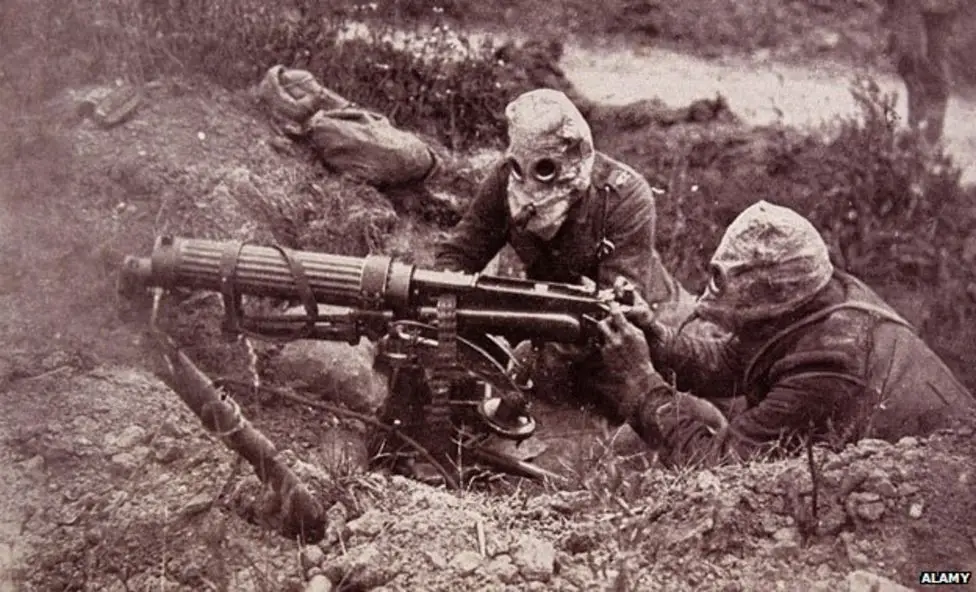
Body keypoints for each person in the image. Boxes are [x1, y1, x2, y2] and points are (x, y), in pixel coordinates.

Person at [594, 200, 976, 468]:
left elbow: (721, 468)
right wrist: (656, 338)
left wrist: (640, 382)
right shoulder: (814, 295)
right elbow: (731, 361)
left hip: (942, 480)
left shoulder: (830, 363)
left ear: (772, 300)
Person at [434, 88, 695, 417]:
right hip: (555, 319)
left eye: (545, 169)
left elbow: (615, 315)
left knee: (670, 410)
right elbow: (460, 252)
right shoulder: (505, 181)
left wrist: (532, 356)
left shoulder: (624, 196)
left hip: (648, 320)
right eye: (520, 167)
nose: (529, 184)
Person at [881, 0, 961, 146]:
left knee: (934, 63)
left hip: (939, 9)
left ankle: (931, 131)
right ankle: (916, 124)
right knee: (908, 58)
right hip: (910, 6)